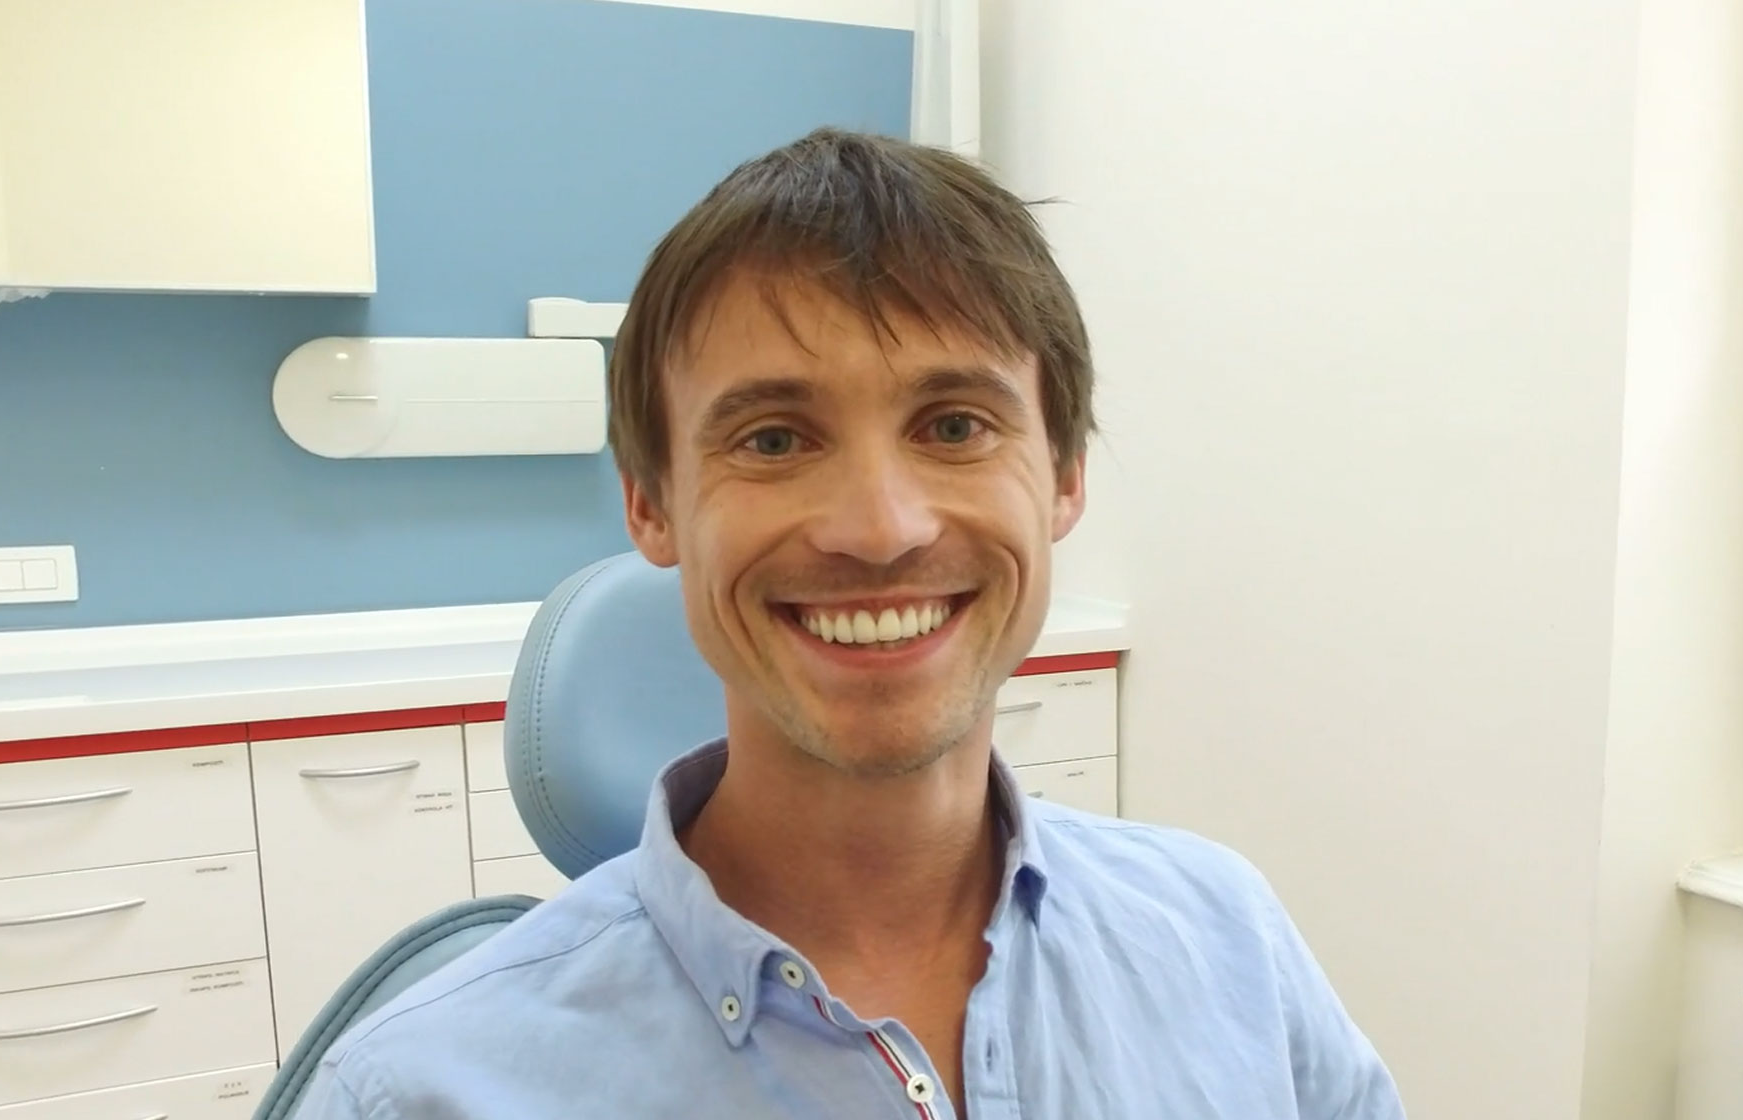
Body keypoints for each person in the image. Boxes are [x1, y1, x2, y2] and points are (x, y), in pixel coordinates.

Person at [291, 128, 1404, 1120]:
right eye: (773, 439)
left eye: (955, 424)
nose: (879, 527)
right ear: (650, 502)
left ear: (1061, 474)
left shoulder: (1226, 944)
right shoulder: (425, 1088)